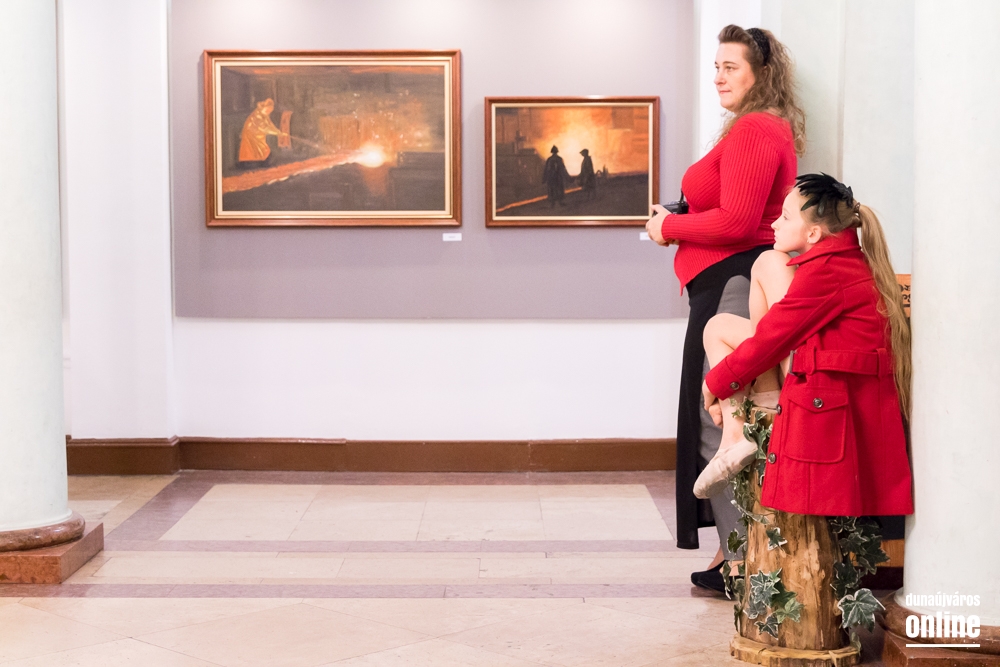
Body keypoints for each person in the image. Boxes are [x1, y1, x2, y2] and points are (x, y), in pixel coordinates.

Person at [644, 24, 805, 593]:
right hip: (724, 279)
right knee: (721, 413)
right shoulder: (754, 127)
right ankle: (729, 554)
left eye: (731, 67)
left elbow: (738, 222)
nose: (718, 76)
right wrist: (683, 216)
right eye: (716, 66)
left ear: (761, 74)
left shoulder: (757, 128)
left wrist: (670, 228)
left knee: (719, 415)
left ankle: (740, 564)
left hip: (731, 281)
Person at [699, 173, 913, 518]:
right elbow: (771, 336)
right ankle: (735, 435)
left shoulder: (828, 272)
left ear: (813, 234)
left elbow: (772, 339)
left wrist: (714, 384)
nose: (774, 224)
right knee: (718, 325)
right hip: (819, 377)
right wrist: (722, 383)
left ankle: (751, 414)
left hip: (822, 388)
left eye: (784, 217)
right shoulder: (837, 263)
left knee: (768, 262)